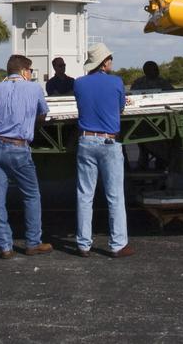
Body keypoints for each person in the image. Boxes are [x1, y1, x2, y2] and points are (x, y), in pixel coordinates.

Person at [0, 54, 51, 259]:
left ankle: (4, 246)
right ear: (25, 71)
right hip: (18, 147)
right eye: (31, 71)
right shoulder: (34, 89)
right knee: (31, 195)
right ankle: (32, 243)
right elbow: (43, 114)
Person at [73, 43, 132, 258]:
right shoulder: (116, 82)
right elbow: (120, 108)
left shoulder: (79, 84)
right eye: (110, 59)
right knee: (115, 196)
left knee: (84, 195)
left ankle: (83, 244)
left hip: (86, 140)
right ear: (105, 62)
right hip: (108, 142)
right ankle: (117, 244)